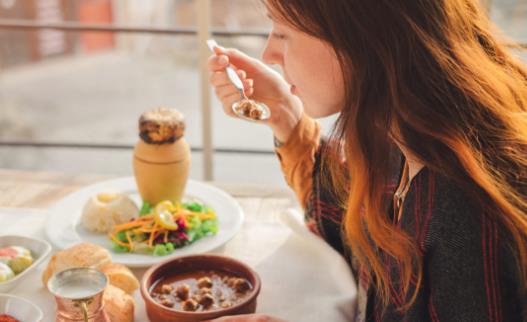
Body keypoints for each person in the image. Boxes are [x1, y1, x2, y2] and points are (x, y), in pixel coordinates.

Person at [206, 0, 527, 321]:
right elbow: (352, 227)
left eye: (283, 33)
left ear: (359, 36)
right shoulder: (398, 132)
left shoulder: (467, 210)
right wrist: (284, 113)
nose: (268, 55)